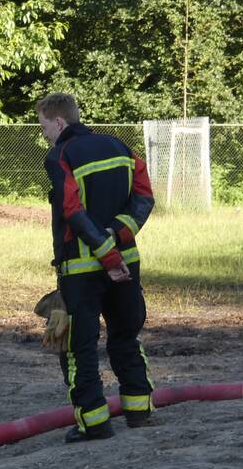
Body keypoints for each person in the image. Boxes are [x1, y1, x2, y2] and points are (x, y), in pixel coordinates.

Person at [36, 92, 155, 443]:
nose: (43, 134)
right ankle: (139, 411)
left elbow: (71, 211)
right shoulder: (121, 147)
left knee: (79, 347)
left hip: (81, 270)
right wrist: (119, 237)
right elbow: (145, 198)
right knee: (126, 336)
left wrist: (107, 255)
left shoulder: (60, 155)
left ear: (59, 122)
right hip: (126, 265)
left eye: (44, 126)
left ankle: (94, 422)